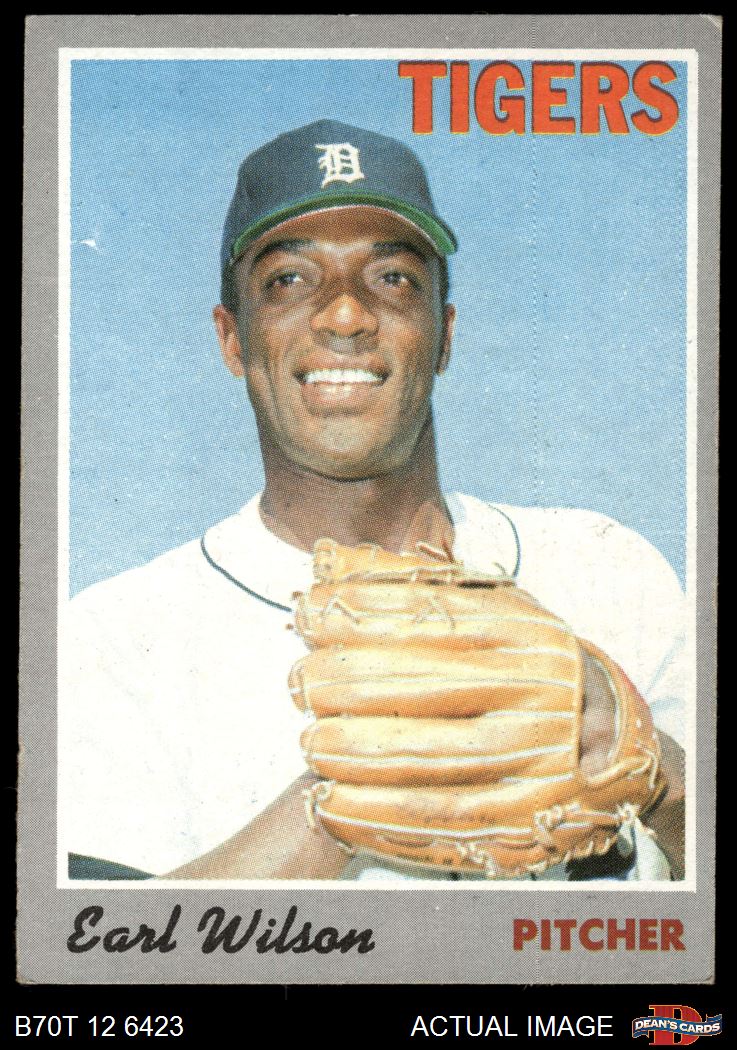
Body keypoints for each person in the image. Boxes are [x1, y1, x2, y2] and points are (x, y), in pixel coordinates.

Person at [59, 120, 686, 883]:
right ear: (232, 340)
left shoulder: (609, 570)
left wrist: (654, 773)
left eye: (392, 278)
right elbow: (96, 947)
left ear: (443, 334)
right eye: (288, 280)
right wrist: (339, 804)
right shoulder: (113, 641)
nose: (345, 315)